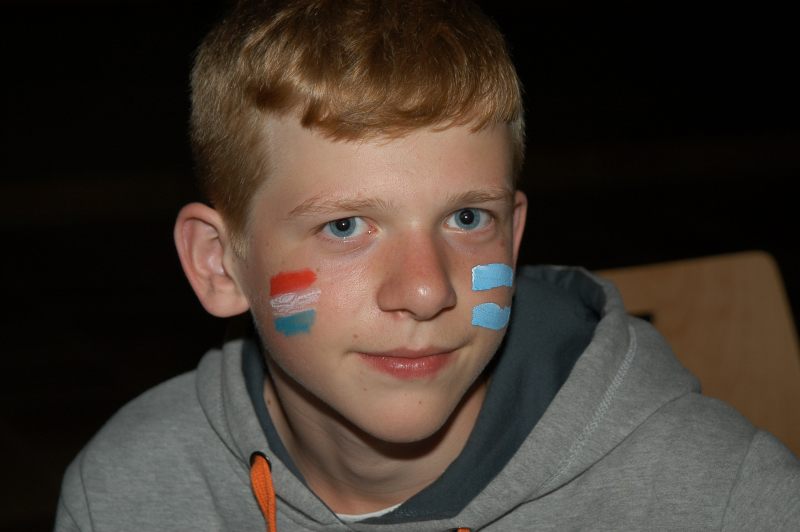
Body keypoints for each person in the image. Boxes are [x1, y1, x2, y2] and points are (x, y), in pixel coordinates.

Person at [54, 0, 800, 530]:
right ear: (221, 265)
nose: (424, 289)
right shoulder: (125, 494)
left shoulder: (722, 497)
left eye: (468, 218)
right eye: (345, 226)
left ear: (513, 238)